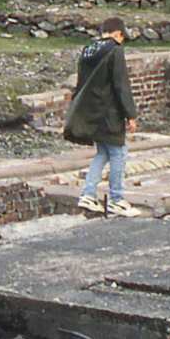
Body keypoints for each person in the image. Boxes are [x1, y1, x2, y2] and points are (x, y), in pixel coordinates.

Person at [65, 17, 141, 216]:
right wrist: (130, 114)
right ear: (117, 33)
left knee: (103, 153)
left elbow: (81, 82)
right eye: (123, 36)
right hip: (109, 113)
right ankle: (117, 198)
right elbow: (120, 85)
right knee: (119, 153)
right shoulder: (114, 50)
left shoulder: (88, 50)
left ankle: (88, 194)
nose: (122, 40)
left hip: (91, 111)